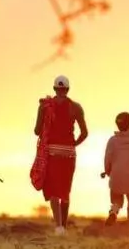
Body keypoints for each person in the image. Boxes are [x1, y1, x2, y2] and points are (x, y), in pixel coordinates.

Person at [31, 75, 88, 235]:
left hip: (52, 152)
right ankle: (64, 225)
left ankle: (59, 226)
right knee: (65, 189)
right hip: (69, 153)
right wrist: (72, 144)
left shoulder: (45, 106)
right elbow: (84, 133)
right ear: (68, 89)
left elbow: (37, 131)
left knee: (53, 189)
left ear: (55, 88)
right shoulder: (76, 107)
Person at [102, 112, 129, 228]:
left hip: (116, 176)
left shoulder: (112, 141)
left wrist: (108, 172)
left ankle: (114, 211)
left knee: (116, 199)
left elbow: (107, 160)